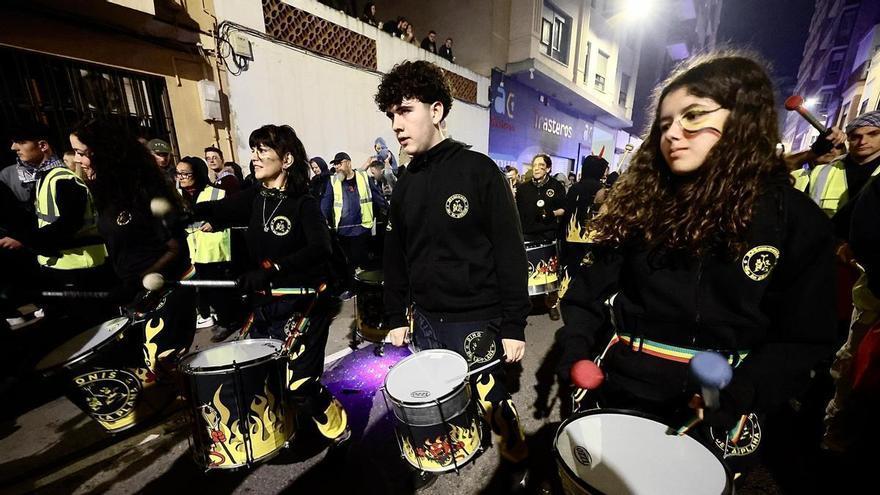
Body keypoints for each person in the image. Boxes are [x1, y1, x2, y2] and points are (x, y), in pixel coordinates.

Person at [556, 53, 837, 476]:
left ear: (742, 119)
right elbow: (586, 294)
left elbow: (803, 337)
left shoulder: (793, 220)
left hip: (721, 406)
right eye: (664, 123)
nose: (673, 134)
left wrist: (742, 393)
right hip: (626, 390)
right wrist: (577, 349)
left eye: (692, 116)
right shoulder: (639, 207)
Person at [376, 60, 529, 490]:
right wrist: (394, 316)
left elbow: (510, 252)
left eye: (405, 110)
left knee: (490, 395)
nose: (396, 124)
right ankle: (441, 450)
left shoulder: (479, 171)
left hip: (476, 315)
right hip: (425, 317)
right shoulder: (405, 181)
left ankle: (510, 438)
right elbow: (396, 256)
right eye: (391, 115)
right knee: (437, 397)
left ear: (437, 111)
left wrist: (514, 324)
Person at [193, 124, 350, 446]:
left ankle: (338, 427)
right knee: (258, 374)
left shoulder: (303, 204)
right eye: (253, 150)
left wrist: (273, 268)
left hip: (303, 302)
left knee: (300, 384)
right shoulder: (255, 197)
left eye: (263, 150)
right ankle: (285, 429)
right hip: (265, 303)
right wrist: (179, 213)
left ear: (287, 159)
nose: (254, 157)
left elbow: (321, 248)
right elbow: (218, 210)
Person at [70, 118, 196, 376]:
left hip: (163, 298)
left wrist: (140, 280)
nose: (78, 160)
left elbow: (175, 248)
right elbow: (116, 239)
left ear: (105, 153)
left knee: (162, 378)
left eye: (82, 153)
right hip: (133, 299)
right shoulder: (108, 193)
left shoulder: (147, 191)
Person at [2, 123, 110, 327]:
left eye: (21, 142)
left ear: (42, 145)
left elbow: (68, 226)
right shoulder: (44, 178)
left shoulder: (64, 180)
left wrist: (25, 240)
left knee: (88, 331)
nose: (14, 148)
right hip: (59, 267)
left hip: (79, 270)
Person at [821, 111, 880, 451]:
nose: (862, 141)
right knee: (846, 360)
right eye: (857, 135)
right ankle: (835, 434)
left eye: (872, 134)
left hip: (862, 279)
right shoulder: (830, 169)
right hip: (836, 267)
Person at [176, 156, 244, 341]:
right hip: (192, 249)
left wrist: (216, 222)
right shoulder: (176, 196)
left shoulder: (216, 193)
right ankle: (213, 316)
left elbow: (231, 214)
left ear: (197, 174)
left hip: (215, 249)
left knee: (219, 289)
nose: (181, 177)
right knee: (203, 289)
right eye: (178, 173)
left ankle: (228, 321)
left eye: (185, 173)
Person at [320, 151, 387, 291]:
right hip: (343, 231)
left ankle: (365, 289)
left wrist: (387, 211)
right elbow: (326, 202)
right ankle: (352, 289)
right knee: (348, 263)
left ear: (348, 163)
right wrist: (322, 218)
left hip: (363, 228)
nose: (337, 167)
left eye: (340, 163)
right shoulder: (333, 181)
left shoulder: (363, 177)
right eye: (335, 165)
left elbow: (376, 195)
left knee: (363, 261)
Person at [515, 154, 566, 320]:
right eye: (534, 165)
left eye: (541, 165)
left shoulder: (556, 186)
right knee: (528, 273)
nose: (536, 168)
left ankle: (551, 305)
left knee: (550, 273)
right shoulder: (523, 189)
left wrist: (551, 213)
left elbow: (563, 209)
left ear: (548, 168)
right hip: (527, 235)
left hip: (548, 234)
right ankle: (525, 304)